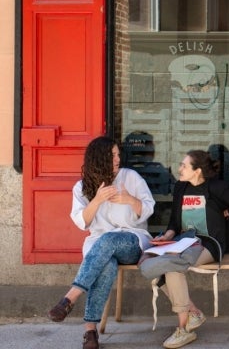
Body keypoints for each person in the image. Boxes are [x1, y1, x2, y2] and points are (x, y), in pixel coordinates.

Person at [47, 136, 155, 349]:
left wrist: (130, 200)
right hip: (99, 245)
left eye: (117, 154)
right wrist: (96, 199)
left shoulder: (130, 177)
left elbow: (150, 208)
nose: (117, 159)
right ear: (99, 159)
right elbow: (82, 222)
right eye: (112, 155)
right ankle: (90, 332)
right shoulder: (82, 187)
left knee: (108, 241)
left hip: (132, 241)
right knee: (106, 264)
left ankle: (70, 297)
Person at [150, 150, 229, 349]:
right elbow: (174, 221)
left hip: (209, 244)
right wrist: (167, 236)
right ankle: (193, 313)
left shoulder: (216, 188)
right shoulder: (181, 187)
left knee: (173, 265)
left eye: (184, 166)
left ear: (197, 171)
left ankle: (183, 329)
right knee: (155, 267)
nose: (179, 169)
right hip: (184, 242)